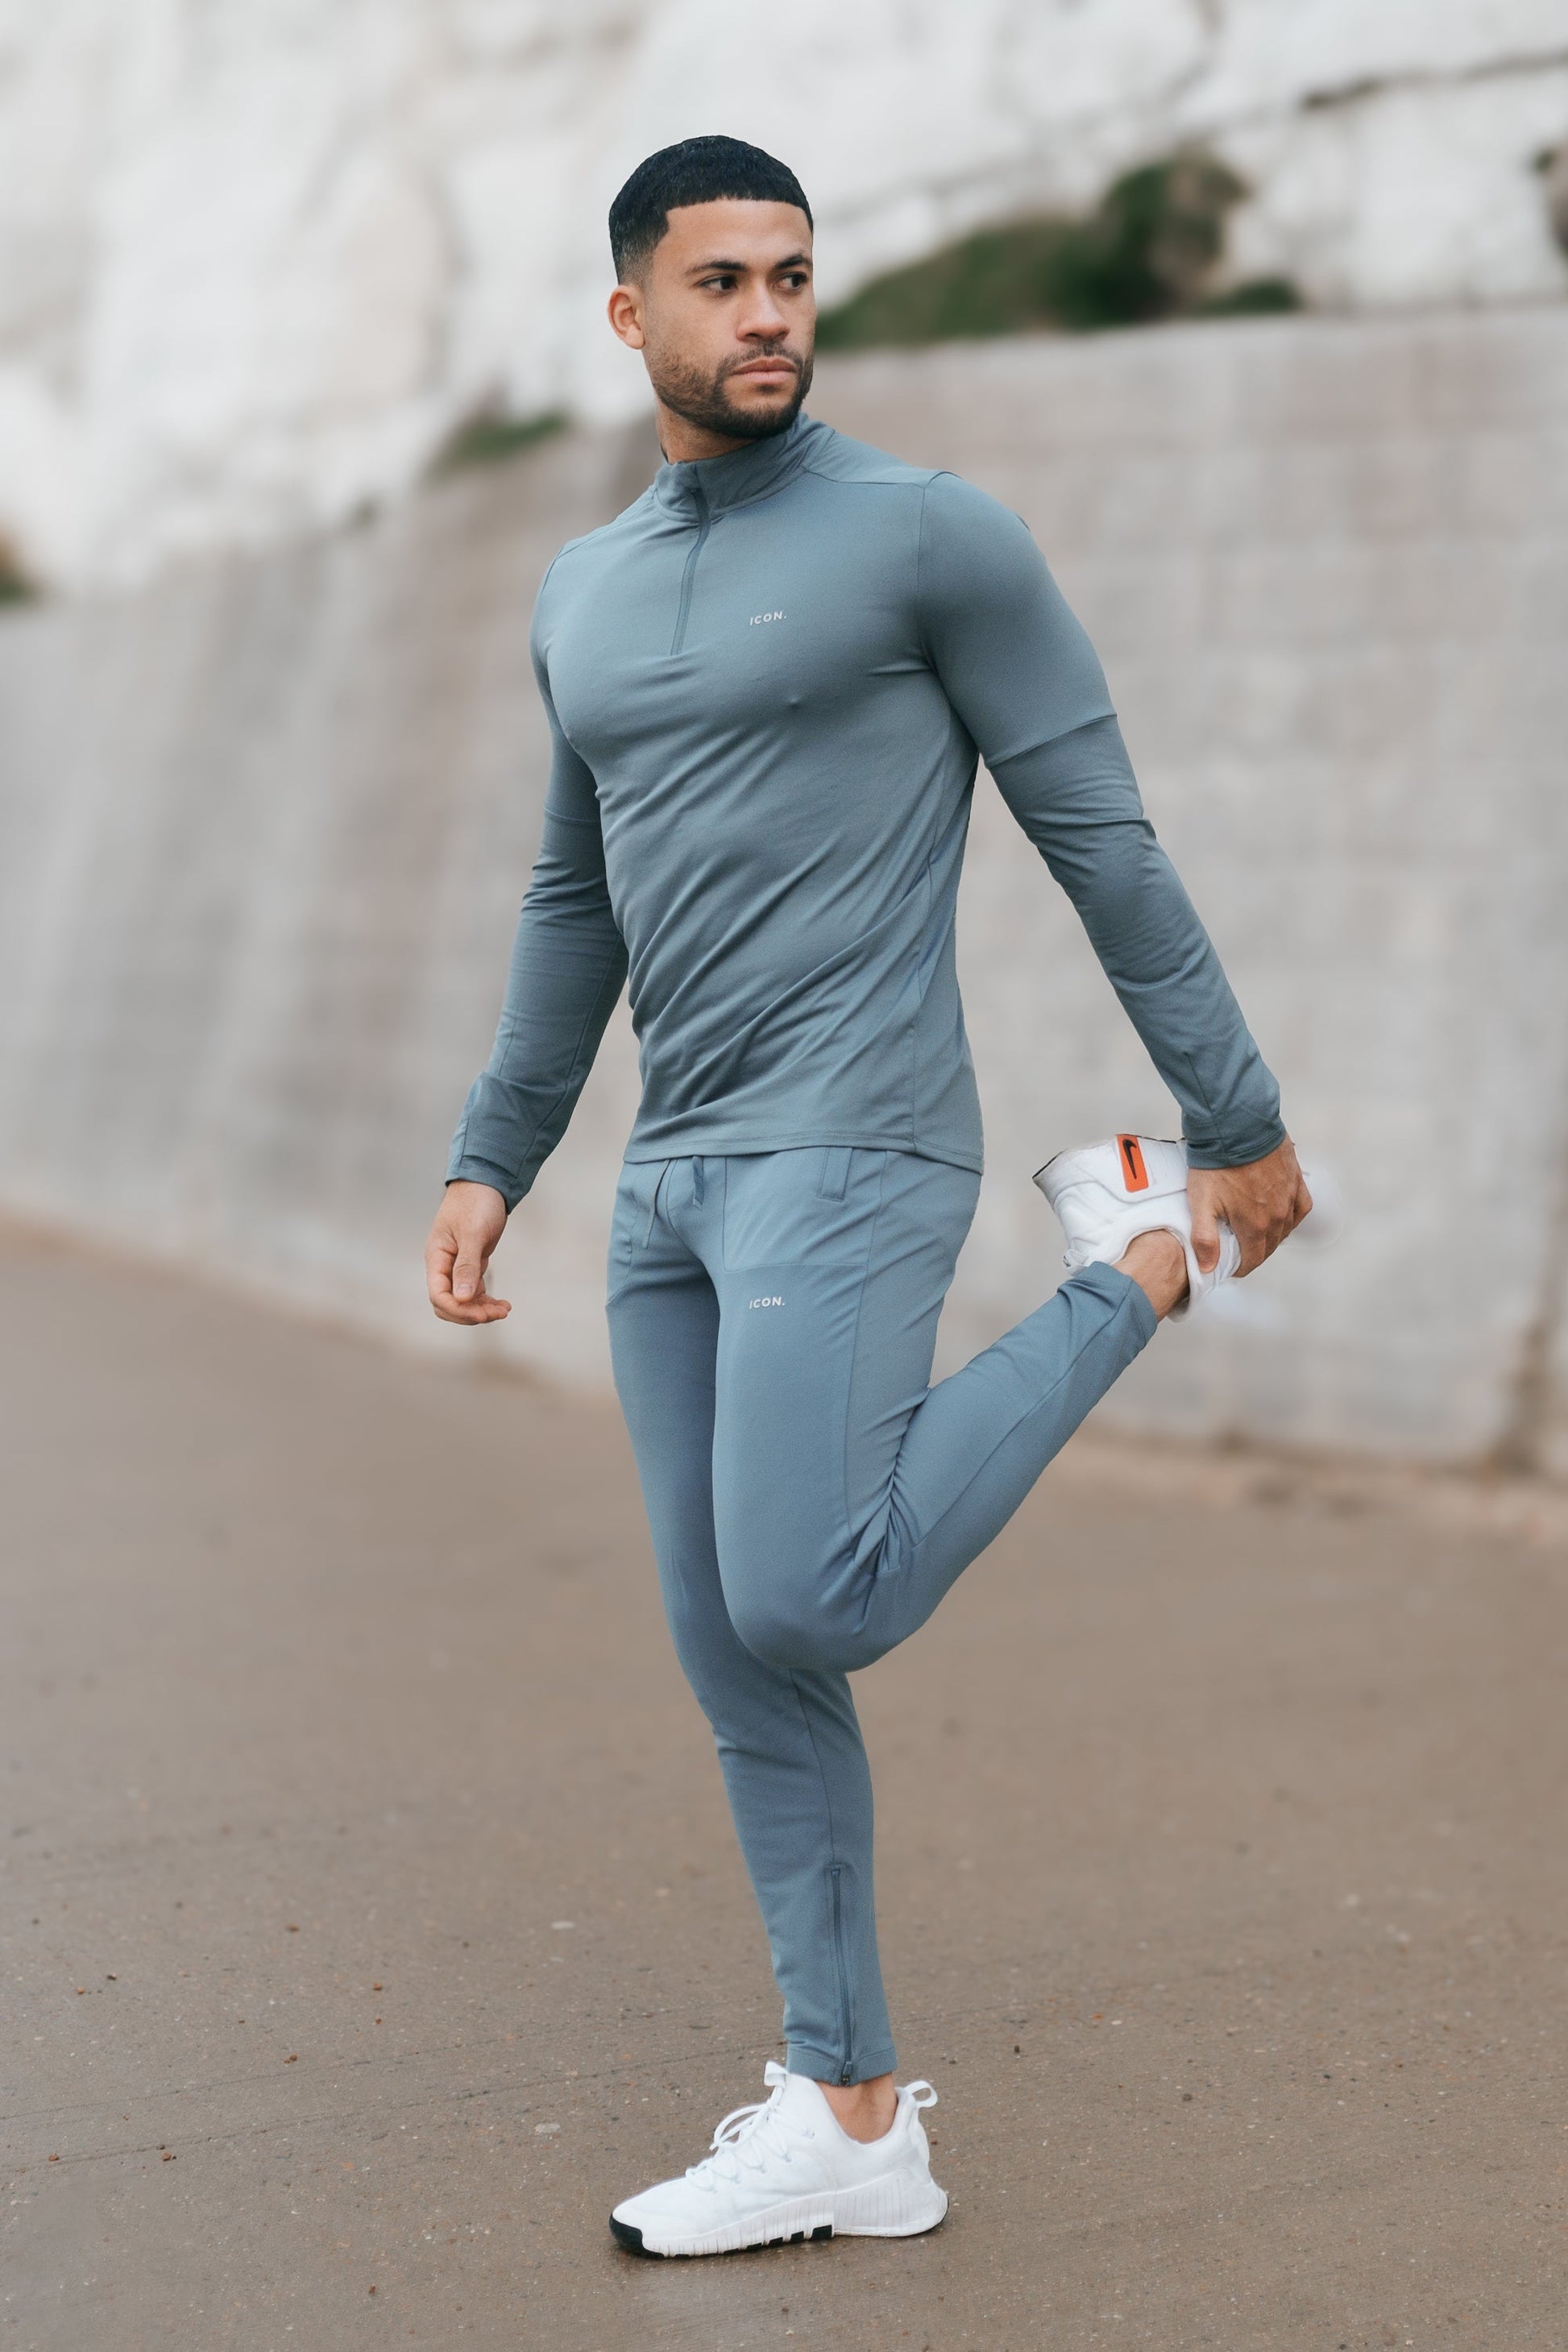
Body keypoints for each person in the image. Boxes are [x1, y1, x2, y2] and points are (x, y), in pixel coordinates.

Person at [425, 135, 1309, 2259]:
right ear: (629, 313)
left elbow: (1101, 834)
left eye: (794, 276)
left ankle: (1125, 1271)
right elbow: (570, 902)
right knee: (738, 1650)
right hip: (673, 1181)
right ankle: (847, 2115)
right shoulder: (581, 590)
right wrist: (493, 1153)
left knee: (813, 1592)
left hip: (858, 1132)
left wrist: (1235, 1113)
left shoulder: (929, 537)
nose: (769, 315)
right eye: (720, 281)